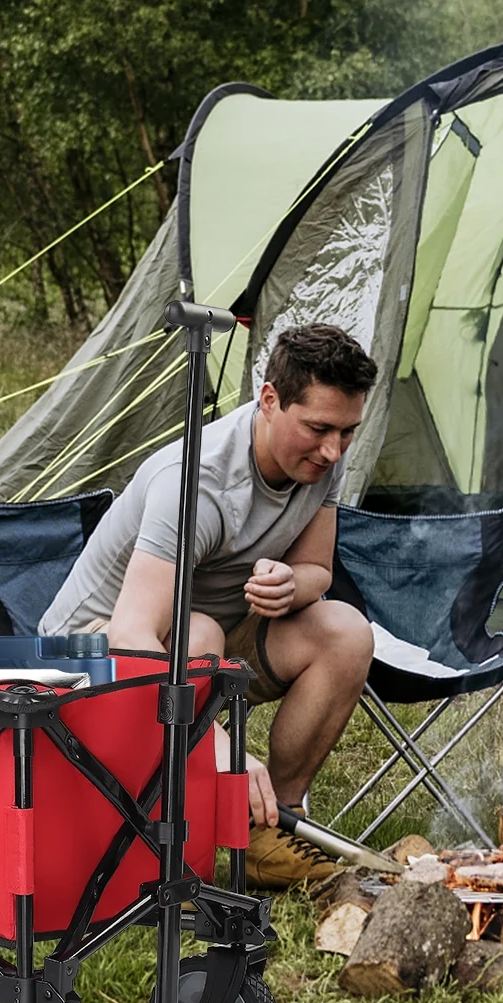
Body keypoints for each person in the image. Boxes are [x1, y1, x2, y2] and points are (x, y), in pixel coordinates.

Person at [40, 323, 378, 888]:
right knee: (196, 635)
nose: (333, 450)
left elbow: (317, 571)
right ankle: (162, 837)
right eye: (319, 429)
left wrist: (289, 584)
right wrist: (222, 747)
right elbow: (131, 634)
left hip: (211, 643)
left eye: (347, 432)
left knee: (345, 631)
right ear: (269, 400)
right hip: (89, 658)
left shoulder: (326, 455)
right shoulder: (195, 484)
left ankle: (275, 826)